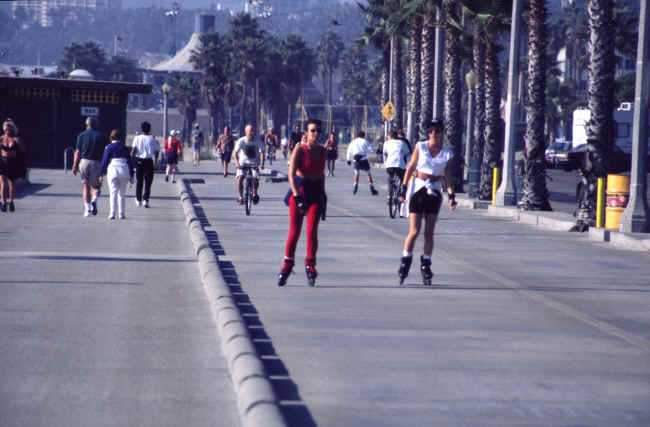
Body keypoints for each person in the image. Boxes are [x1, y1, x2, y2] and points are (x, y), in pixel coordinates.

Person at [397, 120, 457, 286]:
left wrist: (452, 196)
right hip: (418, 189)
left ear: (442, 133)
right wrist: (403, 189)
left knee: (429, 233)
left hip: (434, 191)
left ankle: (426, 264)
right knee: (414, 231)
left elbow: (448, 176)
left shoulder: (447, 153)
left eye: (437, 131)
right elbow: (410, 167)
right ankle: (405, 260)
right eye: (431, 131)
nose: (434, 134)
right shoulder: (420, 146)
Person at [278, 118, 327, 287]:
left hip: (315, 192)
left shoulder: (322, 151)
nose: (316, 134)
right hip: (299, 191)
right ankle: (287, 265)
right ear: (306, 133)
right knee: (295, 231)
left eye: (319, 131)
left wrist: (323, 196)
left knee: (312, 230)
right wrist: (296, 195)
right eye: (313, 130)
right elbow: (291, 174)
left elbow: (321, 175)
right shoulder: (299, 150)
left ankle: (310, 265)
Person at [71, 117, 109, 217]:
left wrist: (74, 166)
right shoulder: (102, 136)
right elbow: (106, 152)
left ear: (86, 124)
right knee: (96, 186)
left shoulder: (81, 135)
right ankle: (94, 200)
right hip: (96, 162)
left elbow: (77, 152)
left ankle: (87, 210)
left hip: (84, 162)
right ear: (96, 125)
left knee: (86, 186)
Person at [99, 129, 134, 220]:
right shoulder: (125, 147)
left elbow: (105, 161)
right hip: (124, 169)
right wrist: (132, 175)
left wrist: (101, 174)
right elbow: (130, 162)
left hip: (113, 169)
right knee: (122, 194)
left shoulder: (109, 147)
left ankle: (112, 213)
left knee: (113, 193)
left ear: (111, 137)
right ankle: (121, 214)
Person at [131, 121, 160, 208]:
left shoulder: (137, 138)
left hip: (139, 161)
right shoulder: (153, 139)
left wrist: (132, 163)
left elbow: (133, 152)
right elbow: (156, 153)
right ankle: (146, 200)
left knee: (139, 181)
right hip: (149, 161)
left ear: (141, 129)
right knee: (148, 182)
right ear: (149, 129)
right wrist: (155, 162)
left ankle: (138, 199)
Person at [234, 124, 264, 205]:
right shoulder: (241, 141)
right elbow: (235, 153)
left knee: (256, 178)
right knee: (240, 178)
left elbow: (262, 153)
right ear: (246, 132)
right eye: (250, 131)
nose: (252, 132)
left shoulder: (258, 140)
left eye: (253, 130)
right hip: (243, 163)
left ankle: (254, 193)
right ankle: (240, 197)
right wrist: (237, 163)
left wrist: (261, 163)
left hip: (254, 163)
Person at [0, 119, 26, 212]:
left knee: (11, 184)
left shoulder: (17, 139)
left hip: (13, 162)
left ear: (12, 129)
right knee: (2, 183)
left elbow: (23, 152)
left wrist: (22, 166)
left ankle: (11, 201)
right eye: (6, 128)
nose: (7, 130)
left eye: (9, 128)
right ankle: (3, 203)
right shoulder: (1, 139)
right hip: (2, 162)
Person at [383, 129, 411, 205]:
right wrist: (409, 164)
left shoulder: (386, 143)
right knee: (403, 180)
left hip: (389, 165)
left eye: (388, 136)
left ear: (390, 136)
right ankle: (402, 194)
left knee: (390, 178)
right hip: (400, 165)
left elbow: (384, 155)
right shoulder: (402, 143)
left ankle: (389, 196)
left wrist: (385, 164)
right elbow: (408, 154)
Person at [346, 130, 378, 195]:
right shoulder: (365, 141)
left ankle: (355, 186)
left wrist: (348, 160)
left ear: (357, 135)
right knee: (368, 173)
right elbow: (371, 150)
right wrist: (377, 151)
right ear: (363, 135)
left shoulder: (353, 142)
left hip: (356, 160)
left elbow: (349, 151)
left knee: (356, 173)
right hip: (363, 159)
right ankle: (371, 187)